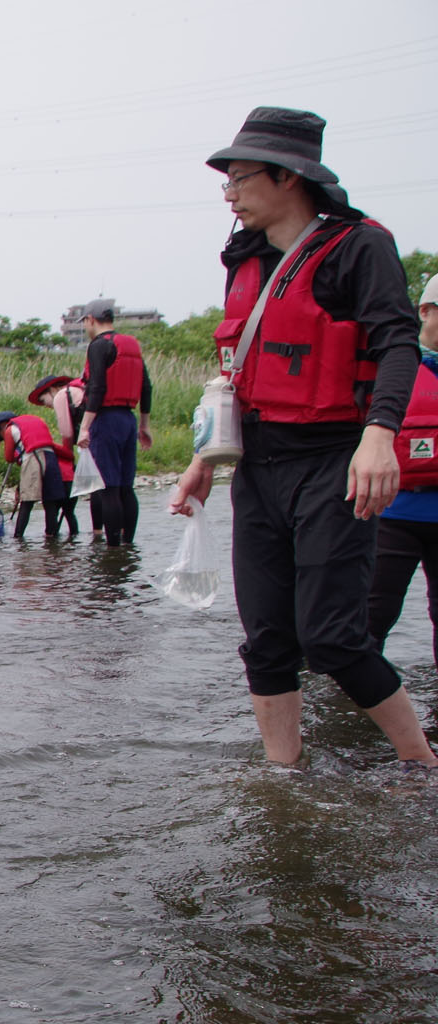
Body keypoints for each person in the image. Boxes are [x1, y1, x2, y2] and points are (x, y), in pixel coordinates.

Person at [170, 105, 435, 767]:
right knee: (266, 639)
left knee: (334, 638)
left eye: (239, 176)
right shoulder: (246, 257)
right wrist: (206, 456)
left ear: (289, 177)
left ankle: (421, 763)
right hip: (259, 463)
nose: (228, 192)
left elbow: (398, 343)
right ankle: (282, 777)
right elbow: (237, 366)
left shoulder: (358, 246)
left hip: (333, 458)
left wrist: (381, 435)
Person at [366, 273, 438, 674]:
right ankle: (354, 711)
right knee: (371, 620)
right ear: (425, 311)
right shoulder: (392, 364)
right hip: (392, 513)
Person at [74, 300, 153, 546]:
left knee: (108, 488)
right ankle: (128, 545)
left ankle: (113, 550)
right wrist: (144, 425)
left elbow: (97, 387)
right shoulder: (131, 345)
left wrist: (85, 426)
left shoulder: (99, 346)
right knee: (126, 487)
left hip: (105, 420)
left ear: (91, 319)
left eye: (85, 322)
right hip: (128, 420)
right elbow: (147, 387)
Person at [30, 374, 104, 539]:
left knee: (96, 489)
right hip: (107, 432)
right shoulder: (80, 389)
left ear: (51, 390)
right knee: (113, 487)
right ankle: (118, 532)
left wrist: (68, 457)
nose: (45, 405)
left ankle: (97, 532)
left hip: (92, 441)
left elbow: (67, 433)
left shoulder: (62, 395)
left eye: (43, 400)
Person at [0, 410, 69, 540]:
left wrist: (17, 455)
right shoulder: (36, 420)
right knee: (50, 502)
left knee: (27, 502)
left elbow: (9, 457)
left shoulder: (10, 429)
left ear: (2, 426)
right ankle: (51, 538)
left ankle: (18, 537)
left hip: (33, 459)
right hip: (51, 458)